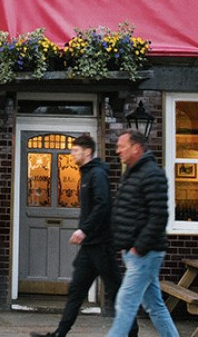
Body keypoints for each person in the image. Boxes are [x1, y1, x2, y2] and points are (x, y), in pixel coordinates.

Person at [30, 134, 137, 337]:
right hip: (90, 248)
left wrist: (84, 229)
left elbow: (103, 205)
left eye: (75, 151)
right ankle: (59, 334)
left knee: (116, 293)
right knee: (76, 292)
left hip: (102, 246)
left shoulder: (96, 174)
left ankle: (133, 334)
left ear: (87, 152)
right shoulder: (86, 174)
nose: (72, 154)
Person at [107, 129, 179, 337]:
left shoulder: (152, 174)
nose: (117, 150)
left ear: (136, 148)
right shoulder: (133, 172)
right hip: (135, 253)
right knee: (155, 306)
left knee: (125, 304)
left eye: (122, 146)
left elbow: (159, 216)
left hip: (145, 254)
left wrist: (139, 247)